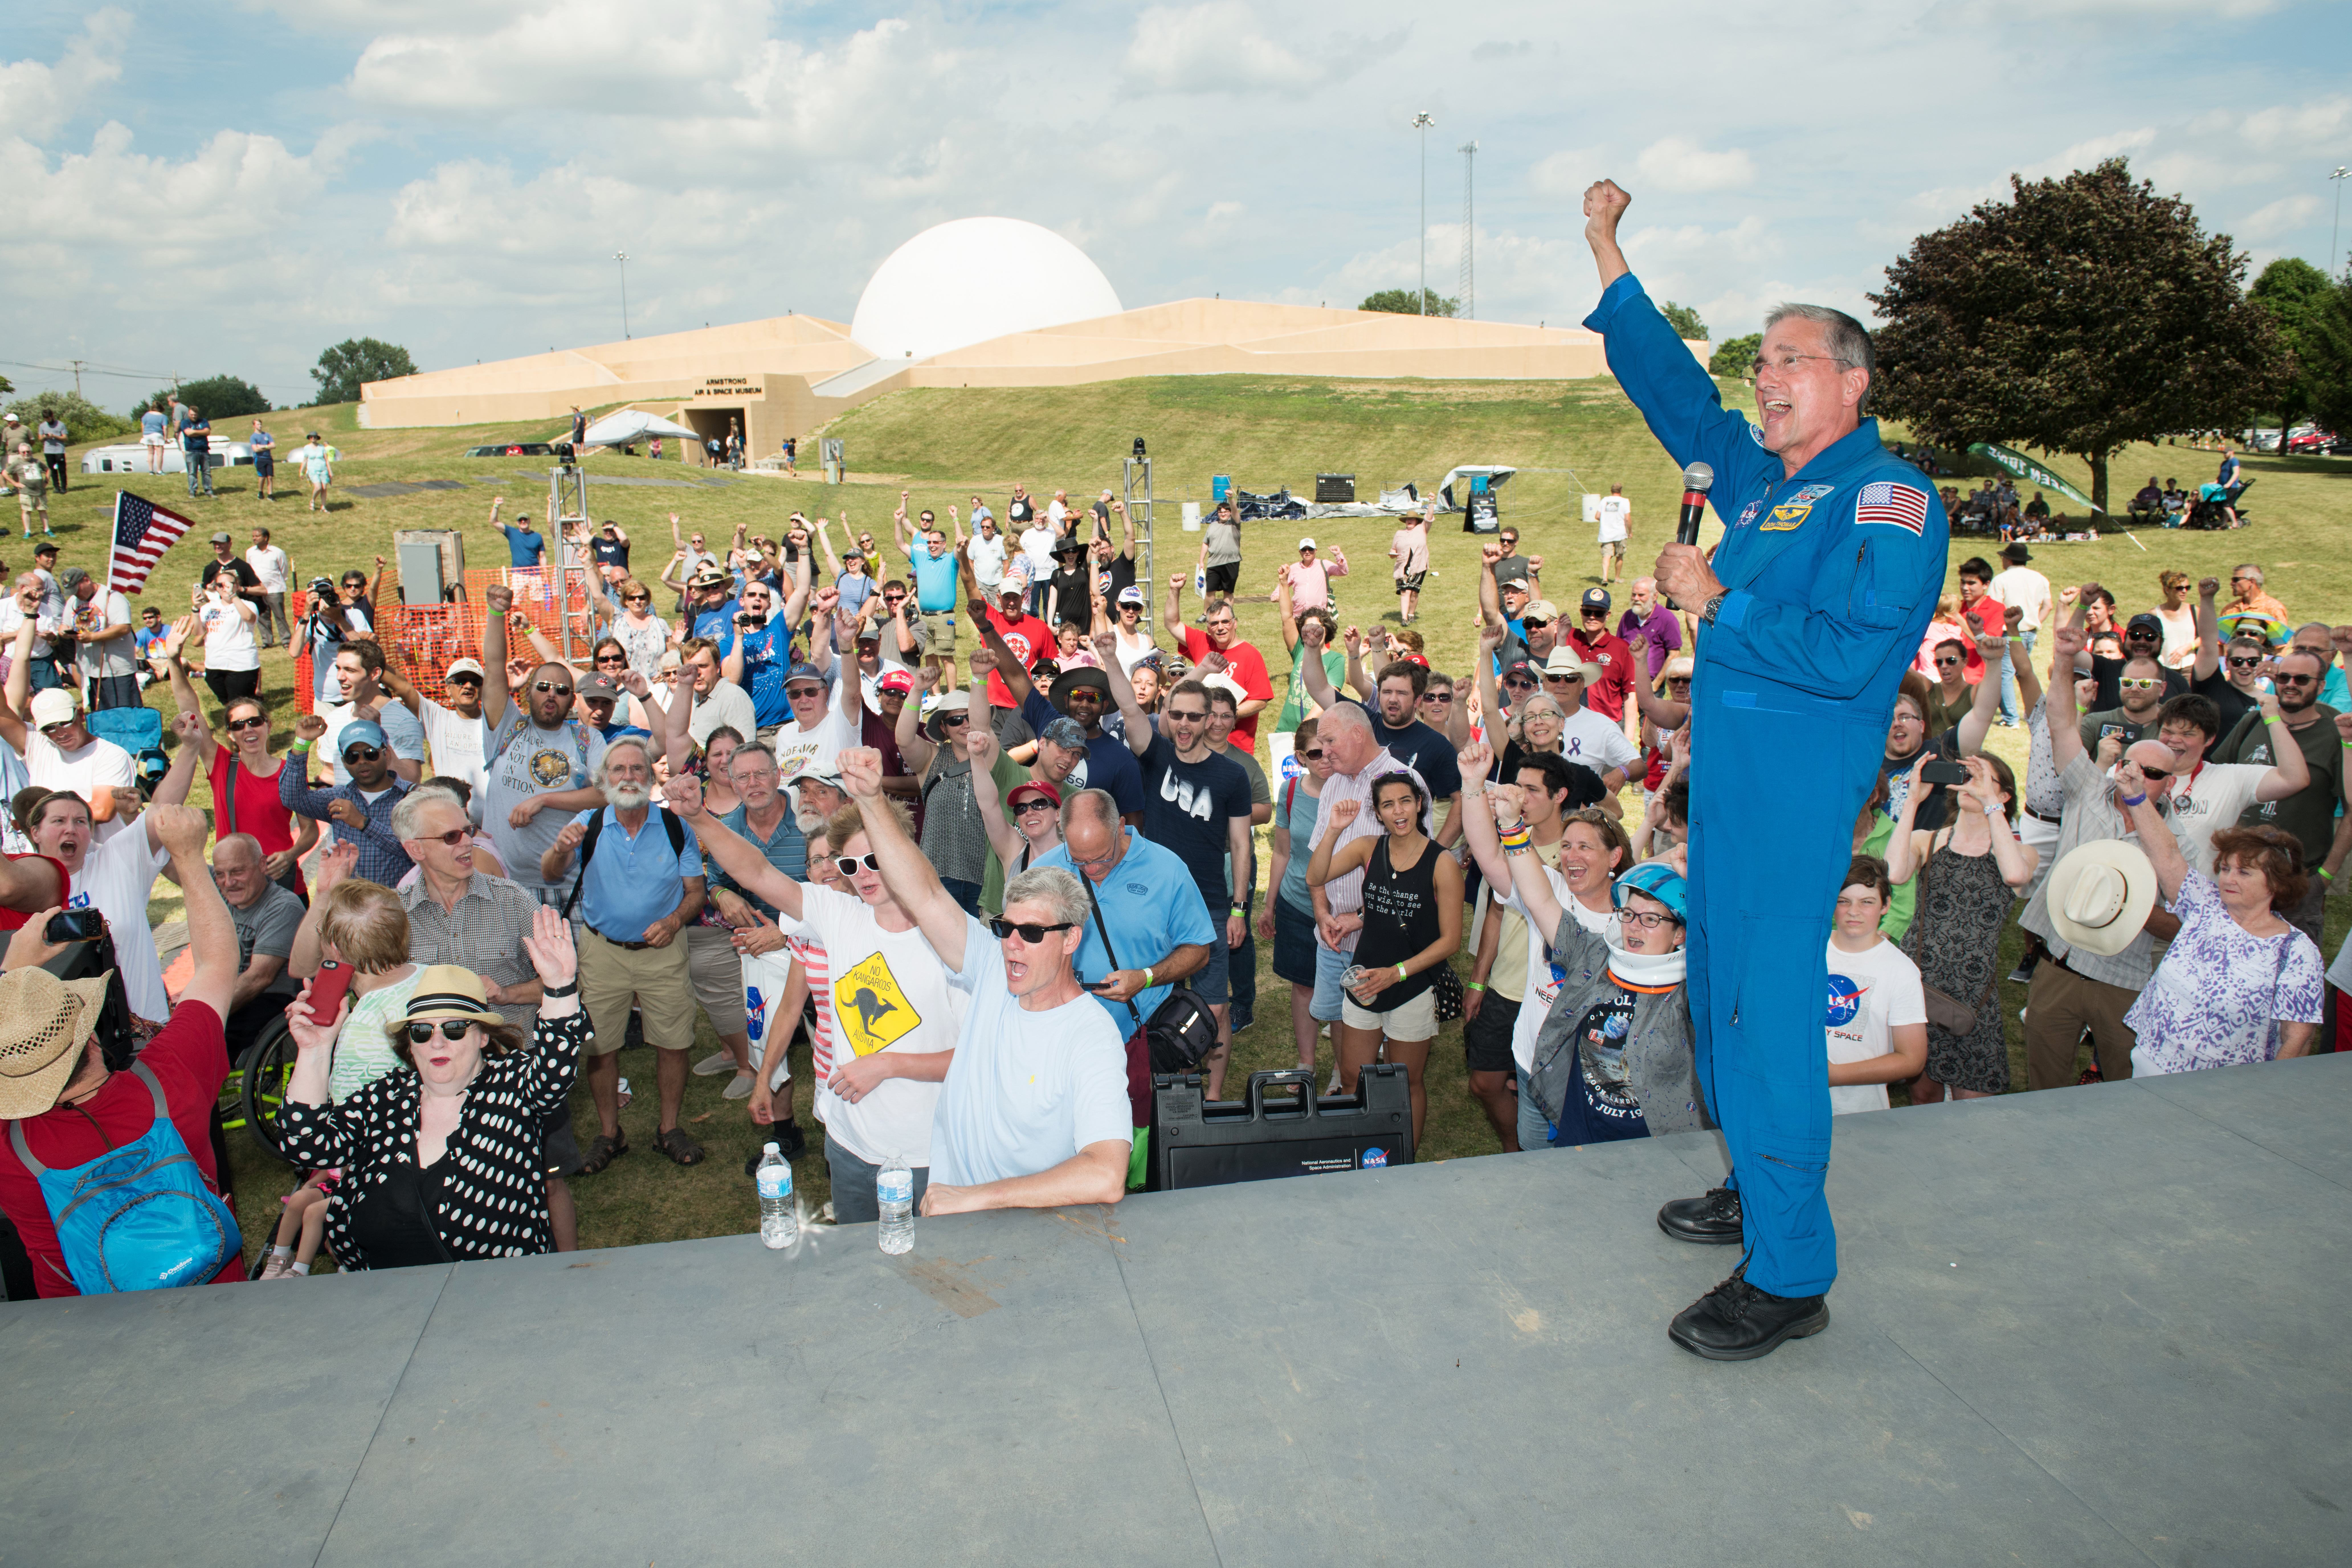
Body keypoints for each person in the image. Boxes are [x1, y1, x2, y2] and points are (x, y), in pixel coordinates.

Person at [1583, 176, 1947, 1361]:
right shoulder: (1770, 486)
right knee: (1712, 1001)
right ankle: (1757, 1190)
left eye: (1792, 359)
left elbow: (1852, 656)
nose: (1767, 377)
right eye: (1762, 364)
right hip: (1729, 800)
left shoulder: (1885, 498)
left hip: (1793, 807)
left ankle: (1791, 1272)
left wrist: (1722, 596)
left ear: (1853, 380)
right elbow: (1681, 402)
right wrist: (1608, 252)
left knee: (1768, 1018)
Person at [825, 750, 1130, 1211]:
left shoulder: (1091, 1034)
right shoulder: (990, 966)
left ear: (1071, 940)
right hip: (951, 1222)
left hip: (1027, 1236)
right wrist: (870, 799)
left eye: (1031, 933)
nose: (1012, 944)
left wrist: (976, 1198)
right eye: (1006, 927)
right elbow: (925, 894)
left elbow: (1106, 1174)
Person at [668, 773, 962, 1222]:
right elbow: (757, 872)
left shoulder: (954, 939)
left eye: (875, 859)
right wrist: (698, 818)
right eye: (850, 865)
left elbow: (976, 1055)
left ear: (905, 853)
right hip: (847, 1146)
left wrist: (888, 1065)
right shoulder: (839, 914)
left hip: (928, 1154)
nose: (862, 875)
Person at [0, 803, 248, 1296]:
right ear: (91, 1033)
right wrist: (188, 856)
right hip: (217, 1303)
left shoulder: (11, 1150)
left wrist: (15, 975)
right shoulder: (169, 1079)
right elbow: (218, 963)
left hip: (89, 1336)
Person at [277, 914, 587, 1270]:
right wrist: (315, 1051)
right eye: (422, 1031)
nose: (437, 1041)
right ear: (410, 1044)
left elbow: (555, 1068)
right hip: (386, 1301)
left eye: (455, 1027)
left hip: (497, 1302)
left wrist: (560, 986)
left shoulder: (512, 1086)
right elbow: (306, 1143)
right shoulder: (386, 1099)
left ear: (483, 1036)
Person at [2019, 626, 2187, 1087]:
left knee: (2124, 1086)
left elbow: (2186, 923)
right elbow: (2059, 722)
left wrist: (2130, 909)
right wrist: (2064, 657)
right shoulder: (2089, 790)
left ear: (2169, 783)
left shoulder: (2180, 841)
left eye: (2153, 771)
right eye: (2132, 762)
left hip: (2123, 981)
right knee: (2043, 1082)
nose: (2137, 773)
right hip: (2059, 965)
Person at [540, 738, 708, 1171]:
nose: (629, 777)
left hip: (665, 952)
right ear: (604, 779)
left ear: (651, 779)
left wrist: (673, 923)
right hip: (602, 952)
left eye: (638, 769)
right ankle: (609, 1134)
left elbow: (695, 893)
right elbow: (551, 873)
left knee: (674, 1042)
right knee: (600, 1047)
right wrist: (560, 849)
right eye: (619, 770)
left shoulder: (675, 828)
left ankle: (668, 1129)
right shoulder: (588, 823)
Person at [1029, 787, 1216, 1174]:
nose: (1091, 871)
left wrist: (1146, 978)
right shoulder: (1045, 873)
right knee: (1067, 1147)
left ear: (1122, 828)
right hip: (1065, 1041)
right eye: (1078, 861)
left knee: (1136, 1147)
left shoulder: (1168, 870)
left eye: (1101, 859)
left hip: (1138, 1040)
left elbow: (1198, 949)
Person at [2110, 763, 2323, 1075]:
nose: (2228, 878)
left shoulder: (2296, 952)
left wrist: (2271, 1091)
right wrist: (2137, 798)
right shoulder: (2205, 905)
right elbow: (2167, 855)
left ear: (2277, 884)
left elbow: (2299, 1036)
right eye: (2225, 868)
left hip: (2223, 1087)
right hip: (2149, 1061)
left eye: (2244, 872)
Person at [1304, 769, 1459, 1143]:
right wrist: (1334, 829)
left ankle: (1405, 1158)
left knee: (1407, 1081)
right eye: (1388, 805)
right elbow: (1315, 876)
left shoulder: (1442, 863)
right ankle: (1354, 1148)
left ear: (1420, 803)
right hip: (1365, 983)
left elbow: (1450, 941)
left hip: (1413, 985)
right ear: (1378, 813)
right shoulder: (1368, 849)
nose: (1399, 811)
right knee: (1352, 1076)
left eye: (1406, 801)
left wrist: (1398, 973)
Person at [1120, 676, 1251, 1098]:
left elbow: (1240, 845)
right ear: (1167, 714)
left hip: (1210, 905)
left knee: (1214, 1007)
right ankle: (1169, 1086)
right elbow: (1129, 711)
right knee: (1156, 998)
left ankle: (1212, 1096)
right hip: (1153, 904)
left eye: (1195, 716)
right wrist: (1107, 658)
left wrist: (1238, 909)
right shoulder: (1155, 756)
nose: (1184, 724)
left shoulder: (1232, 775)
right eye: (1177, 714)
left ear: (1208, 720)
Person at [21, 731, 199, 1029]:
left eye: (81, 821)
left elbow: (162, 811)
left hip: (143, 1029)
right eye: (58, 821)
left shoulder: (116, 860)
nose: (72, 829)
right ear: (35, 832)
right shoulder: (22, 886)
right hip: (69, 1045)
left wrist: (191, 746)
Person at [1884, 754, 2035, 1101]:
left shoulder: (2021, 852)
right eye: (1966, 775)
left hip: (1974, 990)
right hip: (1921, 982)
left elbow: (2014, 875)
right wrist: (1913, 801)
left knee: (1972, 1105)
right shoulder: (1930, 839)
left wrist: (1990, 804)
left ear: (2006, 795)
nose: (1970, 783)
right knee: (1922, 1096)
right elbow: (1894, 873)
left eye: (1982, 777)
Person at [1460, 749, 1591, 1148]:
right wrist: (1479, 981)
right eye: (1518, 789)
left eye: (1532, 790)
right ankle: (1518, 1152)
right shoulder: (1526, 865)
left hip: (1565, 1008)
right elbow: (1489, 863)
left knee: (1558, 1100)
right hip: (1511, 990)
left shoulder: (1580, 870)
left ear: (1560, 795)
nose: (1521, 798)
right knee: (1490, 1084)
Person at [2207, 647, 2349, 947]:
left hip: (2298, 878)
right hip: (2239, 876)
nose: (2291, 684)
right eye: (2284, 677)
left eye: (2302, 678)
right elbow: (2216, 776)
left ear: (2321, 686)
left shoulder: (2333, 732)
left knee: (2289, 968)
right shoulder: (2253, 723)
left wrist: (2325, 875)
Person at [479, 585, 609, 906]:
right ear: (529, 692)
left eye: (562, 690)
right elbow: (495, 668)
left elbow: (608, 793)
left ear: (571, 701)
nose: (552, 694)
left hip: (563, 885)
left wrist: (544, 799)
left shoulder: (587, 738)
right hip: (500, 883)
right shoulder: (507, 727)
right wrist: (497, 612)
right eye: (544, 686)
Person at [164, 652, 315, 899]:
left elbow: (310, 830)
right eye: (238, 725)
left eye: (255, 721)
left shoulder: (289, 770)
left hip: (284, 887)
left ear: (268, 725)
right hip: (237, 889)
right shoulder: (222, 764)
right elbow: (191, 711)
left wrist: (290, 855)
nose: (248, 729)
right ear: (231, 735)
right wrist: (173, 661)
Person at [1, 629, 138, 842]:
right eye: (49, 728)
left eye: (66, 722)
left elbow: (102, 810)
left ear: (81, 715)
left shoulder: (112, 755)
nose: (60, 733)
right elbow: (2, 714)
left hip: (100, 859)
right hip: (56, 862)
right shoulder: (38, 744)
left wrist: (39, 821)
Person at [1820, 857, 1930, 1113]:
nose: (1853, 911)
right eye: (1843, 901)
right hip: (1792, 1103)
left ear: (1886, 905)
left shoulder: (1902, 972)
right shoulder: (1809, 952)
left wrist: (1834, 1075)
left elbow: (1912, 1060)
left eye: (1867, 902)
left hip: (1860, 1111)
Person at [1263, 716, 1330, 1075]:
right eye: (1316, 753)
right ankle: (1307, 1062)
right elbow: (1281, 852)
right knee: (1304, 986)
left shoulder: (1357, 790)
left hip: (1344, 910)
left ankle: (1345, 1068)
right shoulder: (1289, 792)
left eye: (1330, 750)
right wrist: (1270, 905)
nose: (1325, 759)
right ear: (1301, 757)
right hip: (1298, 904)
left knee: (1349, 985)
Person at [279, 717, 415, 887]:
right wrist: (302, 743)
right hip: (350, 908)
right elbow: (293, 798)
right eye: (353, 757)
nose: (362, 761)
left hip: (398, 908)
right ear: (344, 763)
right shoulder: (339, 796)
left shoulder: (413, 797)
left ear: (386, 755)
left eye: (371, 753)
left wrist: (364, 823)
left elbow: (419, 850)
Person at [213, 832, 307, 1057]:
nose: (228, 882)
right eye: (220, 874)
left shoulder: (284, 906)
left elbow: (259, 979)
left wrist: (207, 1012)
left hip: (270, 1001)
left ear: (262, 864)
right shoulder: (221, 890)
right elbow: (172, 864)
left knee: (193, 1042)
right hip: (231, 993)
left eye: (237, 872)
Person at [1163, 581, 1273, 748]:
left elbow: (1260, 701)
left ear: (1235, 623)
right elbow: (1172, 624)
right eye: (1214, 623)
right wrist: (1174, 590)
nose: (1220, 628)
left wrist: (1225, 716)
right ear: (1208, 628)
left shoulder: (1251, 655)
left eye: (1225, 622)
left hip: (1235, 747)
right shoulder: (1202, 642)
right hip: (1199, 745)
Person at [1987, 541, 2051, 726]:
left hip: (2009, 634)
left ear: (2007, 559)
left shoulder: (2001, 579)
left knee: (2004, 674)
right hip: (2030, 632)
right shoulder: (2040, 578)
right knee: (2023, 672)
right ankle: (2028, 713)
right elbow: (2048, 606)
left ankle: (2010, 718)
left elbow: (1994, 608)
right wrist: (2036, 622)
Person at [62, 568, 137, 712]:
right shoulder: (73, 601)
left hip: (116, 669)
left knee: (124, 713)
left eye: (77, 589)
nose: (76, 594)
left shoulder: (112, 598)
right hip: (90, 669)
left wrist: (91, 637)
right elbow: (65, 623)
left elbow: (124, 628)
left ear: (87, 580)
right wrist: (63, 631)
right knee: (102, 713)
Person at [246, 527, 291, 650]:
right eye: (253, 536)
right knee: (262, 616)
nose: (254, 539)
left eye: (257, 536)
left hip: (275, 589)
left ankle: (287, 641)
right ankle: (267, 641)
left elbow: (284, 570)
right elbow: (250, 570)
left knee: (280, 616)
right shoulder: (250, 552)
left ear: (266, 538)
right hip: (258, 590)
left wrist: (276, 581)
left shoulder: (277, 552)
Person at [1389, 507, 1430, 625]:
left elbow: (1430, 517)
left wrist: (1431, 502)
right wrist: (1393, 554)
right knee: (1405, 591)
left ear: (1417, 521)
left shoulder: (1422, 529)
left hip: (1418, 566)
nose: (1409, 521)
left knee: (1414, 593)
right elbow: (1394, 549)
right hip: (1402, 567)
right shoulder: (1399, 534)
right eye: (1408, 519)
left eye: (1412, 519)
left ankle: (1411, 615)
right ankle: (1404, 619)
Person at [9, 443, 47, 539]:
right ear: (20, 453)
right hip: (26, 492)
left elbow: (48, 470)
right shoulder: (17, 463)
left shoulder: (37, 462)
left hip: (40, 492)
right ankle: (28, 532)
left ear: (31, 452)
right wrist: (15, 483)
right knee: (26, 511)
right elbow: (5, 473)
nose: (26, 453)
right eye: (24, 452)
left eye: (28, 451)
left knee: (42, 510)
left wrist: (46, 481)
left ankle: (47, 530)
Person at [1596, 481, 1631, 584]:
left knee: (1607, 555)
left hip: (1606, 533)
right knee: (1620, 556)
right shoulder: (1625, 501)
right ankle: (1617, 579)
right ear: (1621, 491)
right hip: (1620, 533)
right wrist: (1631, 532)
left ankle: (1605, 578)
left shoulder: (1605, 501)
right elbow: (1628, 519)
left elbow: (1597, 516)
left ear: (1611, 491)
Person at [181, 406, 215, 497]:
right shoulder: (185, 422)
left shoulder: (203, 421)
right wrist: (201, 432)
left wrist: (193, 432)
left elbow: (207, 432)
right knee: (192, 473)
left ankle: (209, 491)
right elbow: (188, 433)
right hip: (191, 451)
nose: (193, 417)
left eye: (195, 415)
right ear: (189, 414)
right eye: (192, 415)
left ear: (198, 415)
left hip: (204, 450)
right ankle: (192, 491)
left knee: (207, 472)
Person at [295, 431, 334, 511]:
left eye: (315, 437)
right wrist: (301, 472)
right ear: (309, 438)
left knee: (324, 488)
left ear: (317, 438)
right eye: (311, 437)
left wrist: (330, 472)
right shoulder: (307, 448)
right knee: (318, 487)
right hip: (313, 471)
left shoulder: (322, 448)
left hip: (323, 470)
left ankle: (323, 507)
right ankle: (312, 501)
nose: (313, 438)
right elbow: (305, 460)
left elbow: (327, 460)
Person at [35, 409, 66, 495]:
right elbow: (40, 439)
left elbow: (65, 438)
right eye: (45, 419)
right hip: (49, 451)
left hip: (59, 450)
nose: (47, 420)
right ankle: (57, 487)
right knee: (52, 470)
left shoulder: (61, 425)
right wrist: (45, 437)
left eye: (48, 418)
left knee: (62, 470)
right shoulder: (42, 426)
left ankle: (64, 488)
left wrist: (55, 436)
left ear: (52, 416)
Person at [248, 420, 277, 504]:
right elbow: (256, 450)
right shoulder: (253, 437)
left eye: (261, 424)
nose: (260, 426)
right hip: (259, 459)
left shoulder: (267, 435)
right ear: (254, 426)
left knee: (270, 477)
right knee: (263, 477)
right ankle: (261, 492)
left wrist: (263, 446)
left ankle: (270, 495)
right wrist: (268, 447)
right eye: (258, 424)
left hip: (269, 458)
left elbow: (274, 446)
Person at [140, 400, 168, 473]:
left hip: (147, 435)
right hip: (157, 435)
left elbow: (143, 424)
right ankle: (159, 471)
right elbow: (165, 428)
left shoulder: (147, 415)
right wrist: (166, 438)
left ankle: (151, 471)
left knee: (150, 453)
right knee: (160, 454)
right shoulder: (163, 417)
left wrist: (144, 433)